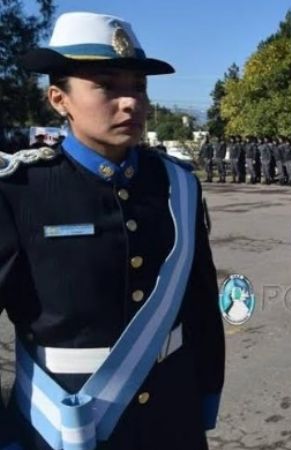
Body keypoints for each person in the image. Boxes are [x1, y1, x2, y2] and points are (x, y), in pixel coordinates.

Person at [3, 11, 225, 449]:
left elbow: (201, 306)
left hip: (171, 416)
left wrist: (204, 395)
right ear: (58, 99)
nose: (131, 103)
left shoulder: (176, 184)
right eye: (106, 85)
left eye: (139, 87)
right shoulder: (19, 191)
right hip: (65, 426)